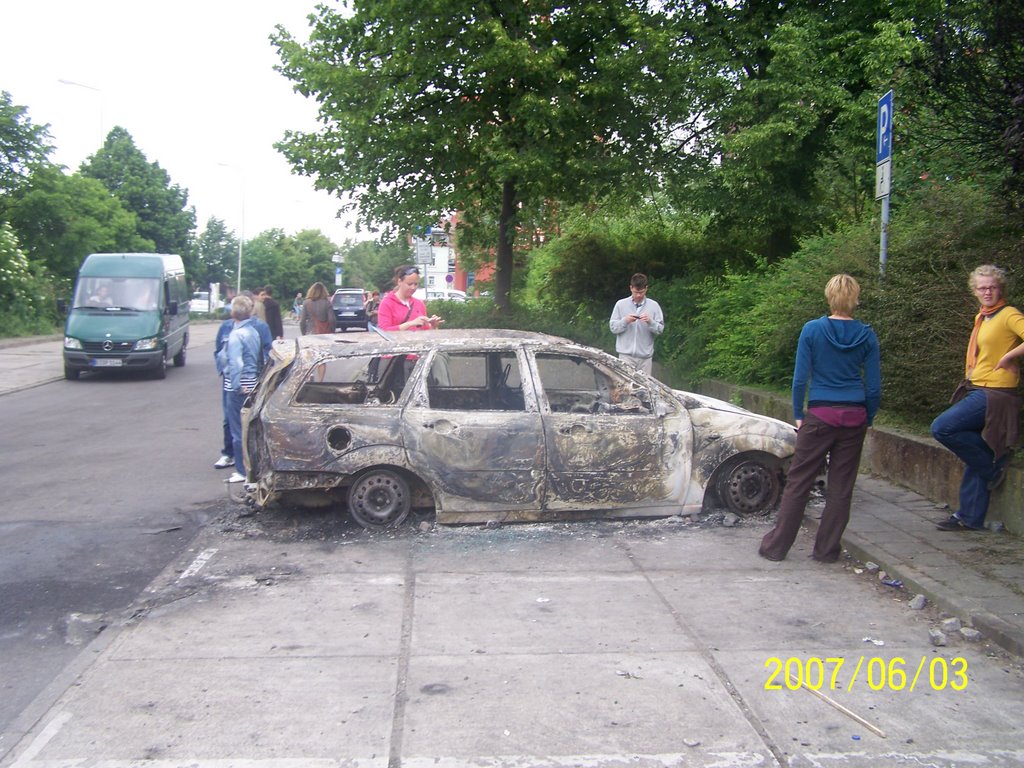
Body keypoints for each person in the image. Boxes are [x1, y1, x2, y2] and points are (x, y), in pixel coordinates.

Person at [759, 274, 881, 563]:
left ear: (829, 298)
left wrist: (799, 414)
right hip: (854, 417)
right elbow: (874, 386)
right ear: (855, 300)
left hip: (819, 416)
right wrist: (869, 416)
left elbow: (800, 379)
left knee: (799, 481)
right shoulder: (867, 335)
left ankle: (776, 547)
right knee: (841, 486)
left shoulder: (812, 330)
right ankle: (826, 550)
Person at [931, 265, 1024, 531]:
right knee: (977, 449)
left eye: (992, 287)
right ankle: (969, 517)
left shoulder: (1008, 314)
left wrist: (1010, 356)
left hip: (995, 392)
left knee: (942, 428)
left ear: (1000, 288)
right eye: (982, 287)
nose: (987, 292)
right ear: (975, 290)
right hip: (978, 386)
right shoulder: (983, 317)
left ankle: (993, 467)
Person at [214, 294, 273, 471]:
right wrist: (223, 371)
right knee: (230, 420)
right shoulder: (226, 327)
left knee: (248, 420)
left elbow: (266, 350)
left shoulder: (257, 328)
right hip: (233, 379)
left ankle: (246, 465)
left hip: (244, 381)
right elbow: (219, 351)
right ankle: (230, 454)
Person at [609, 273, 664, 376]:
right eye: (636, 292)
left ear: (646, 289)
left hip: (645, 358)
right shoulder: (620, 304)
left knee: (644, 389)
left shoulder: (654, 306)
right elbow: (613, 328)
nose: (639, 295)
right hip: (625, 356)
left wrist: (650, 322)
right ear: (631, 288)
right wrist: (625, 320)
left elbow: (660, 329)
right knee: (625, 388)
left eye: (641, 292)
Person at [377, 265, 443, 331]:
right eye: (409, 284)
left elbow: (425, 333)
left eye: (416, 284)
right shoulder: (387, 303)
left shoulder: (419, 304)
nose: (413, 287)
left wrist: (433, 326)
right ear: (399, 282)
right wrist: (410, 324)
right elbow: (384, 331)